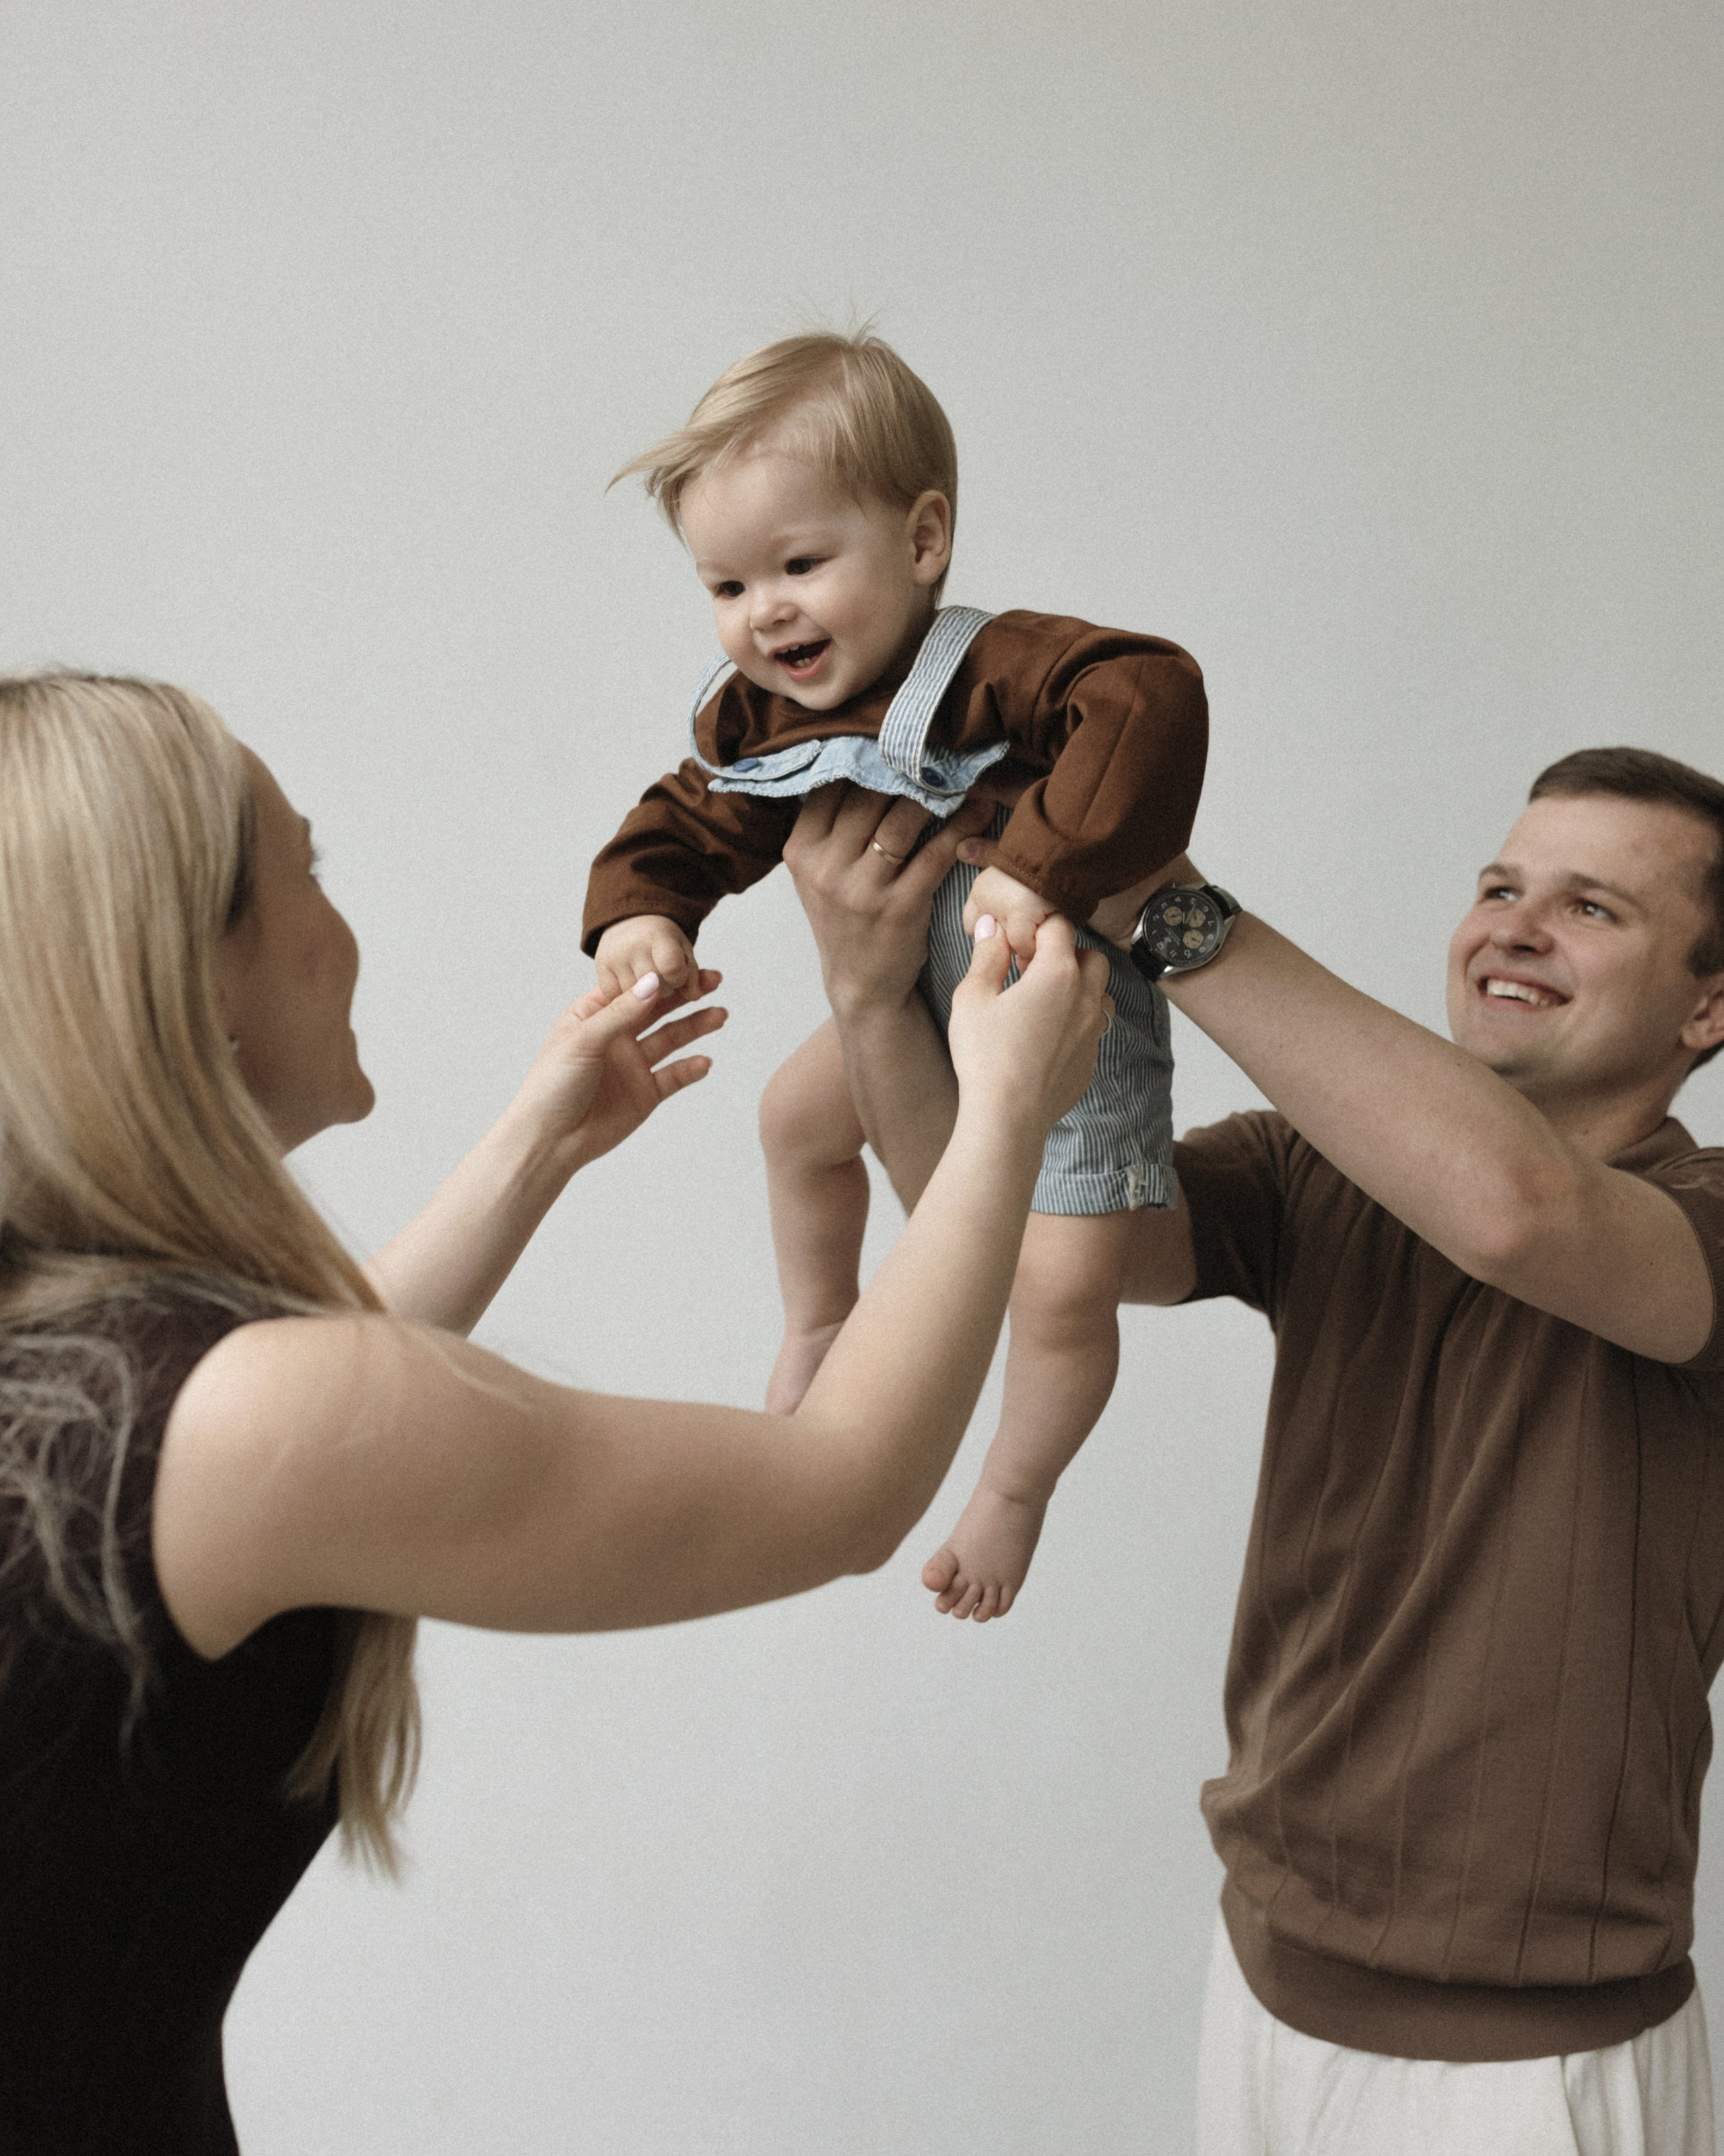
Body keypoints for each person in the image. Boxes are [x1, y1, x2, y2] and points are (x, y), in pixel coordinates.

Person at [0, 670, 1109, 2156]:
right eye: (306, 868)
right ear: (188, 967)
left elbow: (242, 1430)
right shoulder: (235, 1415)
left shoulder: (69, 1347)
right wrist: (1005, 1113)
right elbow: (842, 1484)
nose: (341, 921)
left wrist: (534, 1145)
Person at [783, 753, 1724, 2155]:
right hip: (1267, 1980)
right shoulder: (1309, 1168)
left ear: (1708, 1007)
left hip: (1530, 2065)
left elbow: (1517, 1212)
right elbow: (1020, 1242)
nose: (1514, 929)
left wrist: (1159, 899)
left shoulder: (1704, 1218)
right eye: (1498, 888)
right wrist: (870, 999)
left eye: (1590, 907)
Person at [584, 327, 1208, 1622]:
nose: (765, 612)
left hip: (1051, 1006)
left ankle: (1015, 1487)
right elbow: (694, 813)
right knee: (791, 1121)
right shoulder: (766, 713)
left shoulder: (996, 668)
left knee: (1062, 1283)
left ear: (923, 541)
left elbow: (1147, 695)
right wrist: (642, 912)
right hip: (919, 990)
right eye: (727, 584)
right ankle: (822, 1316)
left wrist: (1043, 863)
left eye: (801, 565)